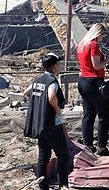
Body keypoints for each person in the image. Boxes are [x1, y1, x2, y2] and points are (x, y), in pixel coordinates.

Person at [24, 53, 69, 190]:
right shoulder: (52, 82)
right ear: (55, 66)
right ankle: (63, 185)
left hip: (40, 125)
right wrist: (56, 108)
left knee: (43, 155)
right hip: (52, 125)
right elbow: (51, 96)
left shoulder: (38, 80)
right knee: (63, 156)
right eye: (58, 64)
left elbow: (25, 93)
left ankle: (42, 185)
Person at [77, 23, 109, 156]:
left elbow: (88, 64)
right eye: (103, 36)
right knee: (105, 114)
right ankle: (101, 147)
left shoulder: (82, 44)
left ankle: (88, 145)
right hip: (93, 81)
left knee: (88, 114)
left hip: (83, 80)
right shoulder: (93, 45)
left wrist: (106, 60)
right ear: (98, 33)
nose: (103, 39)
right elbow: (97, 65)